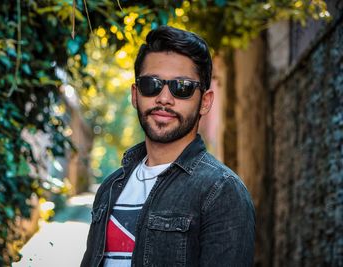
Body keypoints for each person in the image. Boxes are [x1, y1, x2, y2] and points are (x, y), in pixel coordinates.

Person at [81, 25, 255, 267]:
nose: (164, 98)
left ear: (205, 102)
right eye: (151, 84)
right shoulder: (110, 187)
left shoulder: (221, 192)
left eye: (181, 87)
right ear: (135, 94)